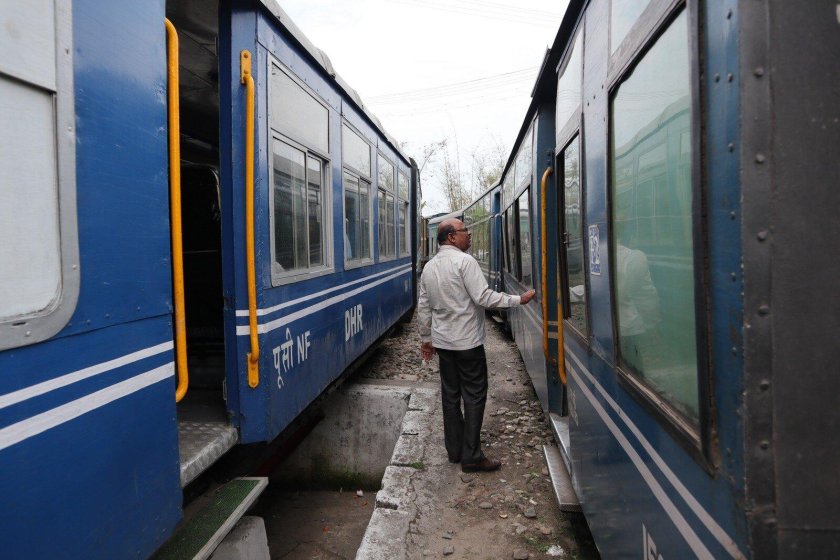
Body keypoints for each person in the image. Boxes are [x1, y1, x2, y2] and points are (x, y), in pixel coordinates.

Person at [417, 218, 535, 473]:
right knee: (474, 395)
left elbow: (424, 305)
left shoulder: (429, 267)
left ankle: (455, 451)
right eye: (464, 231)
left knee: (450, 396)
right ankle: (471, 456)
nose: (469, 235)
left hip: (443, 343)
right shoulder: (465, 262)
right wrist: (518, 300)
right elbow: (483, 297)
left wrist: (426, 338)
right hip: (467, 342)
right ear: (451, 237)